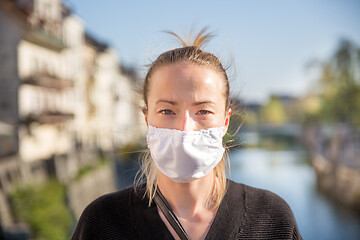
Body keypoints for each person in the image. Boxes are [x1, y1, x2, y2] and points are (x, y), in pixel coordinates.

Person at [71, 28, 302, 240]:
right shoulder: (102, 222)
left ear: (225, 122)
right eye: (167, 111)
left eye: (203, 111)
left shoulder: (272, 219)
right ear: (147, 119)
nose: (184, 128)